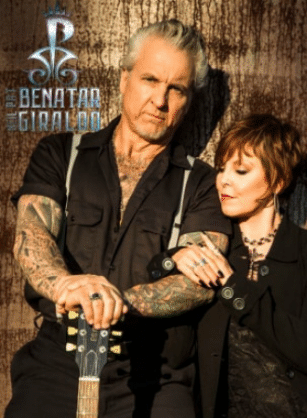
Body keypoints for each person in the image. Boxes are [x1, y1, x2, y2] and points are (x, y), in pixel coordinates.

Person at [7, 20, 232, 418]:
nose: (160, 100)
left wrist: (114, 301)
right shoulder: (61, 154)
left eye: (176, 89)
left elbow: (200, 283)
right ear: (125, 78)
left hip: (156, 371)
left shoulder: (202, 184)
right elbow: (32, 235)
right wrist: (65, 284)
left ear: (189, 100)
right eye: (149, 79)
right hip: (58, 362)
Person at [172, 115, 307, 417]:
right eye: (221, 168)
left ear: (278, 181)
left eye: (240, 170)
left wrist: (234, 287)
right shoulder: (213, 247)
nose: (223, 179)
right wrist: (171, 257)